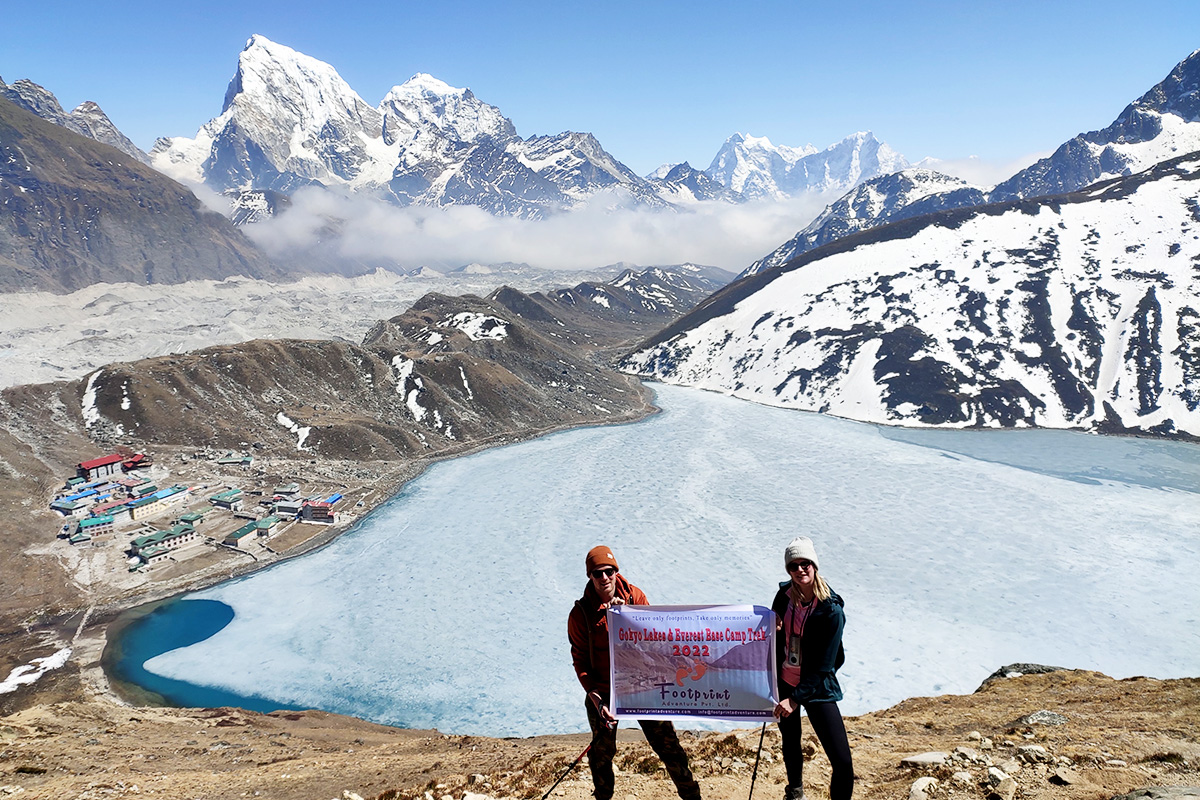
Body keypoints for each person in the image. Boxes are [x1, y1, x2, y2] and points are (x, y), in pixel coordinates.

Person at [568, 545, 702, 800]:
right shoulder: (580, 614)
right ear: (590, 577)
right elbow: (580, 661)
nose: (605, 578)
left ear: (616, 572)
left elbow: (654, 640)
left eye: (609, 571)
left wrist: (627, 617)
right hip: (605, 692)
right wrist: (595, 697)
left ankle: (692, 796)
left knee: (668, 746)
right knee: (601, 753)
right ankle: (603, 796)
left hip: (643, 686)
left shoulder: (634, 597)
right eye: (598, 573)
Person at [771, 537, 853, 800]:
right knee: (790, 741)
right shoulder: (784, 595)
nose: (800, 570)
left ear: (814, 565)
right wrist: (774, 628)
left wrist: (795, 699)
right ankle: (795, 793)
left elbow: (824, 665)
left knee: (842, 762)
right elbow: (772, 624)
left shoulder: (831, 610)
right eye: (793, 566)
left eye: (805, 563)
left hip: (816, 687)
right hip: (785, 679)